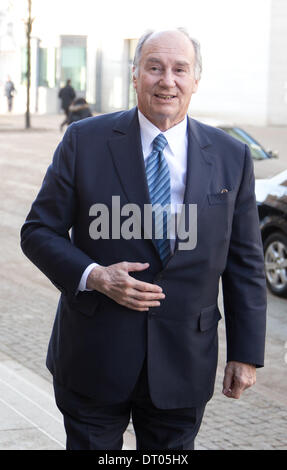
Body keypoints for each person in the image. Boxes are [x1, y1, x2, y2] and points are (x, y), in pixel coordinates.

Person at [20, 29, 267, 450]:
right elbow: (38, 230)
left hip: (184, 360)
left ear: (195, 79)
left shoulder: (231, 156)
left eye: (179, 69)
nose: (166, 80)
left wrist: (245, 353)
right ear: (135, 76)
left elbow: (245, 263)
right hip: (94, 355)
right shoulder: (84, 140)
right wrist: (94, 275)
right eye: (154, 68)